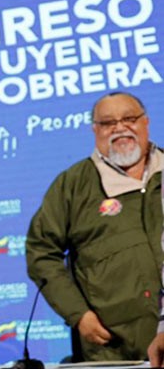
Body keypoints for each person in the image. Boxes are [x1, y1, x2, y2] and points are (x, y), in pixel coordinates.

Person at [26, 91, 162, 362]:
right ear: (94, 130)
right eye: (108, 123)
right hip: (114, 349)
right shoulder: (73, 185)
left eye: (129, 118)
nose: (120, 127)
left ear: (146, 122)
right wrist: (78, 314)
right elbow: (41, 252)